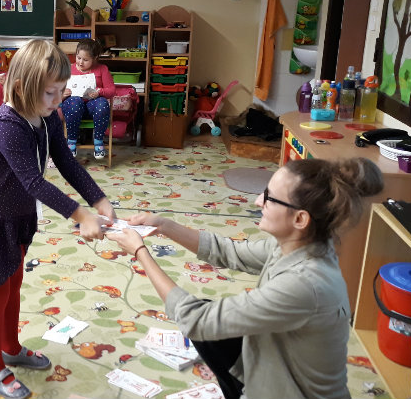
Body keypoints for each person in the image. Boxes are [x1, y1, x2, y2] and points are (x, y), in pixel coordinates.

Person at [105, 157, 384, 399]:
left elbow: (196, 320)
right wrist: (164, 225)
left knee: (203, 320)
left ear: (300, 219)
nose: (257, 201)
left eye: (269, 197)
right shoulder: (298, 244)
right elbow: (227, 251)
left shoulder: (305, 284)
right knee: (214, 333)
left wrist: (140, 252)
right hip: (270, 373)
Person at [0, 39, 115, 399]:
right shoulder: (5, 123)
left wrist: (99, 200)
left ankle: (10, 348)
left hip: (18, 215)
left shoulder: (48, 116)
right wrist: (80, 215)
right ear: (21, 87)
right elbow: (33, 181)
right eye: (50, 93)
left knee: (13, 286)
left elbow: (66, 162)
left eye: (61, 90)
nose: (58, 100)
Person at [61, 39, 115, 160]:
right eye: (78, 57)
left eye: (85, 60)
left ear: (95, 58)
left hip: (94, 110)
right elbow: (56, 91)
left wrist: (99, 91)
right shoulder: (68, 69)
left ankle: (98, 141)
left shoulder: (102, 69)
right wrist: (62, 94)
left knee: (101, 103)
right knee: (74, 102)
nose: (80, 62)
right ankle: (71, 141)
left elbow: (112, 90)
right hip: (73, 110)